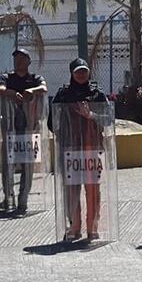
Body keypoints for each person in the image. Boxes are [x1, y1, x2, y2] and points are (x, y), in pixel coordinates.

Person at [52, 58, 108, 243]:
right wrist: (67, 129)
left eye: (84, 71)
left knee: (93, 190)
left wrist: (90, 115)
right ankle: (74, 228)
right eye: (78, 71)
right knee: (71, 190)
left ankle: (92, 228)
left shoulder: (97, 95)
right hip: (70, 149)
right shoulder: (63, 95)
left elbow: (108, 119)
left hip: (92, 148)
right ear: (71, 73)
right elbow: (52, 123)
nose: (81, 74)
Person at [0, 48, 48, 214]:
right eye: (16, 58)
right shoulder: (7, 77)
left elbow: (44, 88)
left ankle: (22, 200)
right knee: (7, 164)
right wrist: (10, 93)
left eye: (22, 58)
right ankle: (7, 198)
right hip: (10, 129)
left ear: (28, 61)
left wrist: (32, 91)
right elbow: (0, 89)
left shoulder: (35, 78)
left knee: (27, 166)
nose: (18, 61)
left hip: (29, 129)